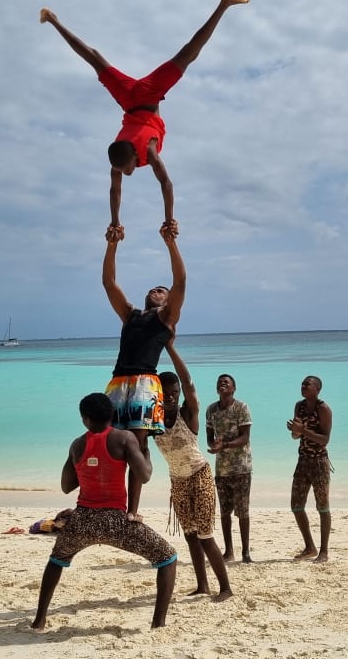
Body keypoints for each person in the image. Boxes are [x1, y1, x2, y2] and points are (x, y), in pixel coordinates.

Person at [39, 0, 250, 238]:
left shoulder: (148, 151)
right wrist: (114, 223)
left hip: (147, 95)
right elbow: (114, 191)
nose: (127, 173)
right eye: (123, 171)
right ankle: (51, 18)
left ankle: (224, 4)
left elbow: (166, 184)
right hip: (128, 98)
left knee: (188, 53)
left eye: (127, 169)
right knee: (94, 59)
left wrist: (169, 221)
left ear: (133, 157)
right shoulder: (118, 158)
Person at [30, 393, 177, 631]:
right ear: (112, 414)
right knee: (167, 558)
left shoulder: (77, 444)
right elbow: (145, 475)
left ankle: (39, 620)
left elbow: (66, 486)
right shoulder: (124, 438)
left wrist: (89, 466)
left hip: (82, 520)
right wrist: (146, 454)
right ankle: (158, 624)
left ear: (85, 419)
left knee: (56, 560)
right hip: (116, 521)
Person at [102, 223, 187, 522]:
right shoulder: (130, 315)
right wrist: (112, 245)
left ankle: (132, 511)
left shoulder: (167, 317)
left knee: (137, 445)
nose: (155, 290)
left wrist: (171, 244)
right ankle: (110, 502)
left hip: (145, 383)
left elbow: (180, 281)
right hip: (118, 381)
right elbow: (109, 283)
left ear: (168, 300)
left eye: (161, 290)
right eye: (152, 289)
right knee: (111, 443)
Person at [155, 339, 233, 600]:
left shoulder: (187, 413)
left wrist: (169, 347)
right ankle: (203, 586)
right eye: (166, 393)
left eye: (175, 392)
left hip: (200, 476)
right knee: (190, 536)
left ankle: (226, 588)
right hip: (177, 481)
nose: (171, 396)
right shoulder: (153, 421)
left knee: (205, 537)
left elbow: (189, 383)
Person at [205, 372, 253, 563]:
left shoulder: (241, 407)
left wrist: (224, 445)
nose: (222, 384)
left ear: (234, 388)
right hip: (222, 469)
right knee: (225, 512)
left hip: (241, 468)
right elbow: (209, 437)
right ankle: (229, 551)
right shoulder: (211, 410)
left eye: (226, 382)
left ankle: (246, 553)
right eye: (219, 382)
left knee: (243, 512)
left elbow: (245, 437)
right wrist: (214, 446)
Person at [286, 375, 332, 563]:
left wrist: (303, 431)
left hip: (319, 462)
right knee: (296, 506)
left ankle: (324, 551)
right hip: (303, 461)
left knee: (323, 507)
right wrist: (295, 431)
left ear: (317, 389)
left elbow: (325, 440)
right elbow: (295, 437)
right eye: (302, 384)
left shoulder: (323, 409)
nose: (303, 386)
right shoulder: (299, 406)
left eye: (307, 384)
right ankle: (310, 547)